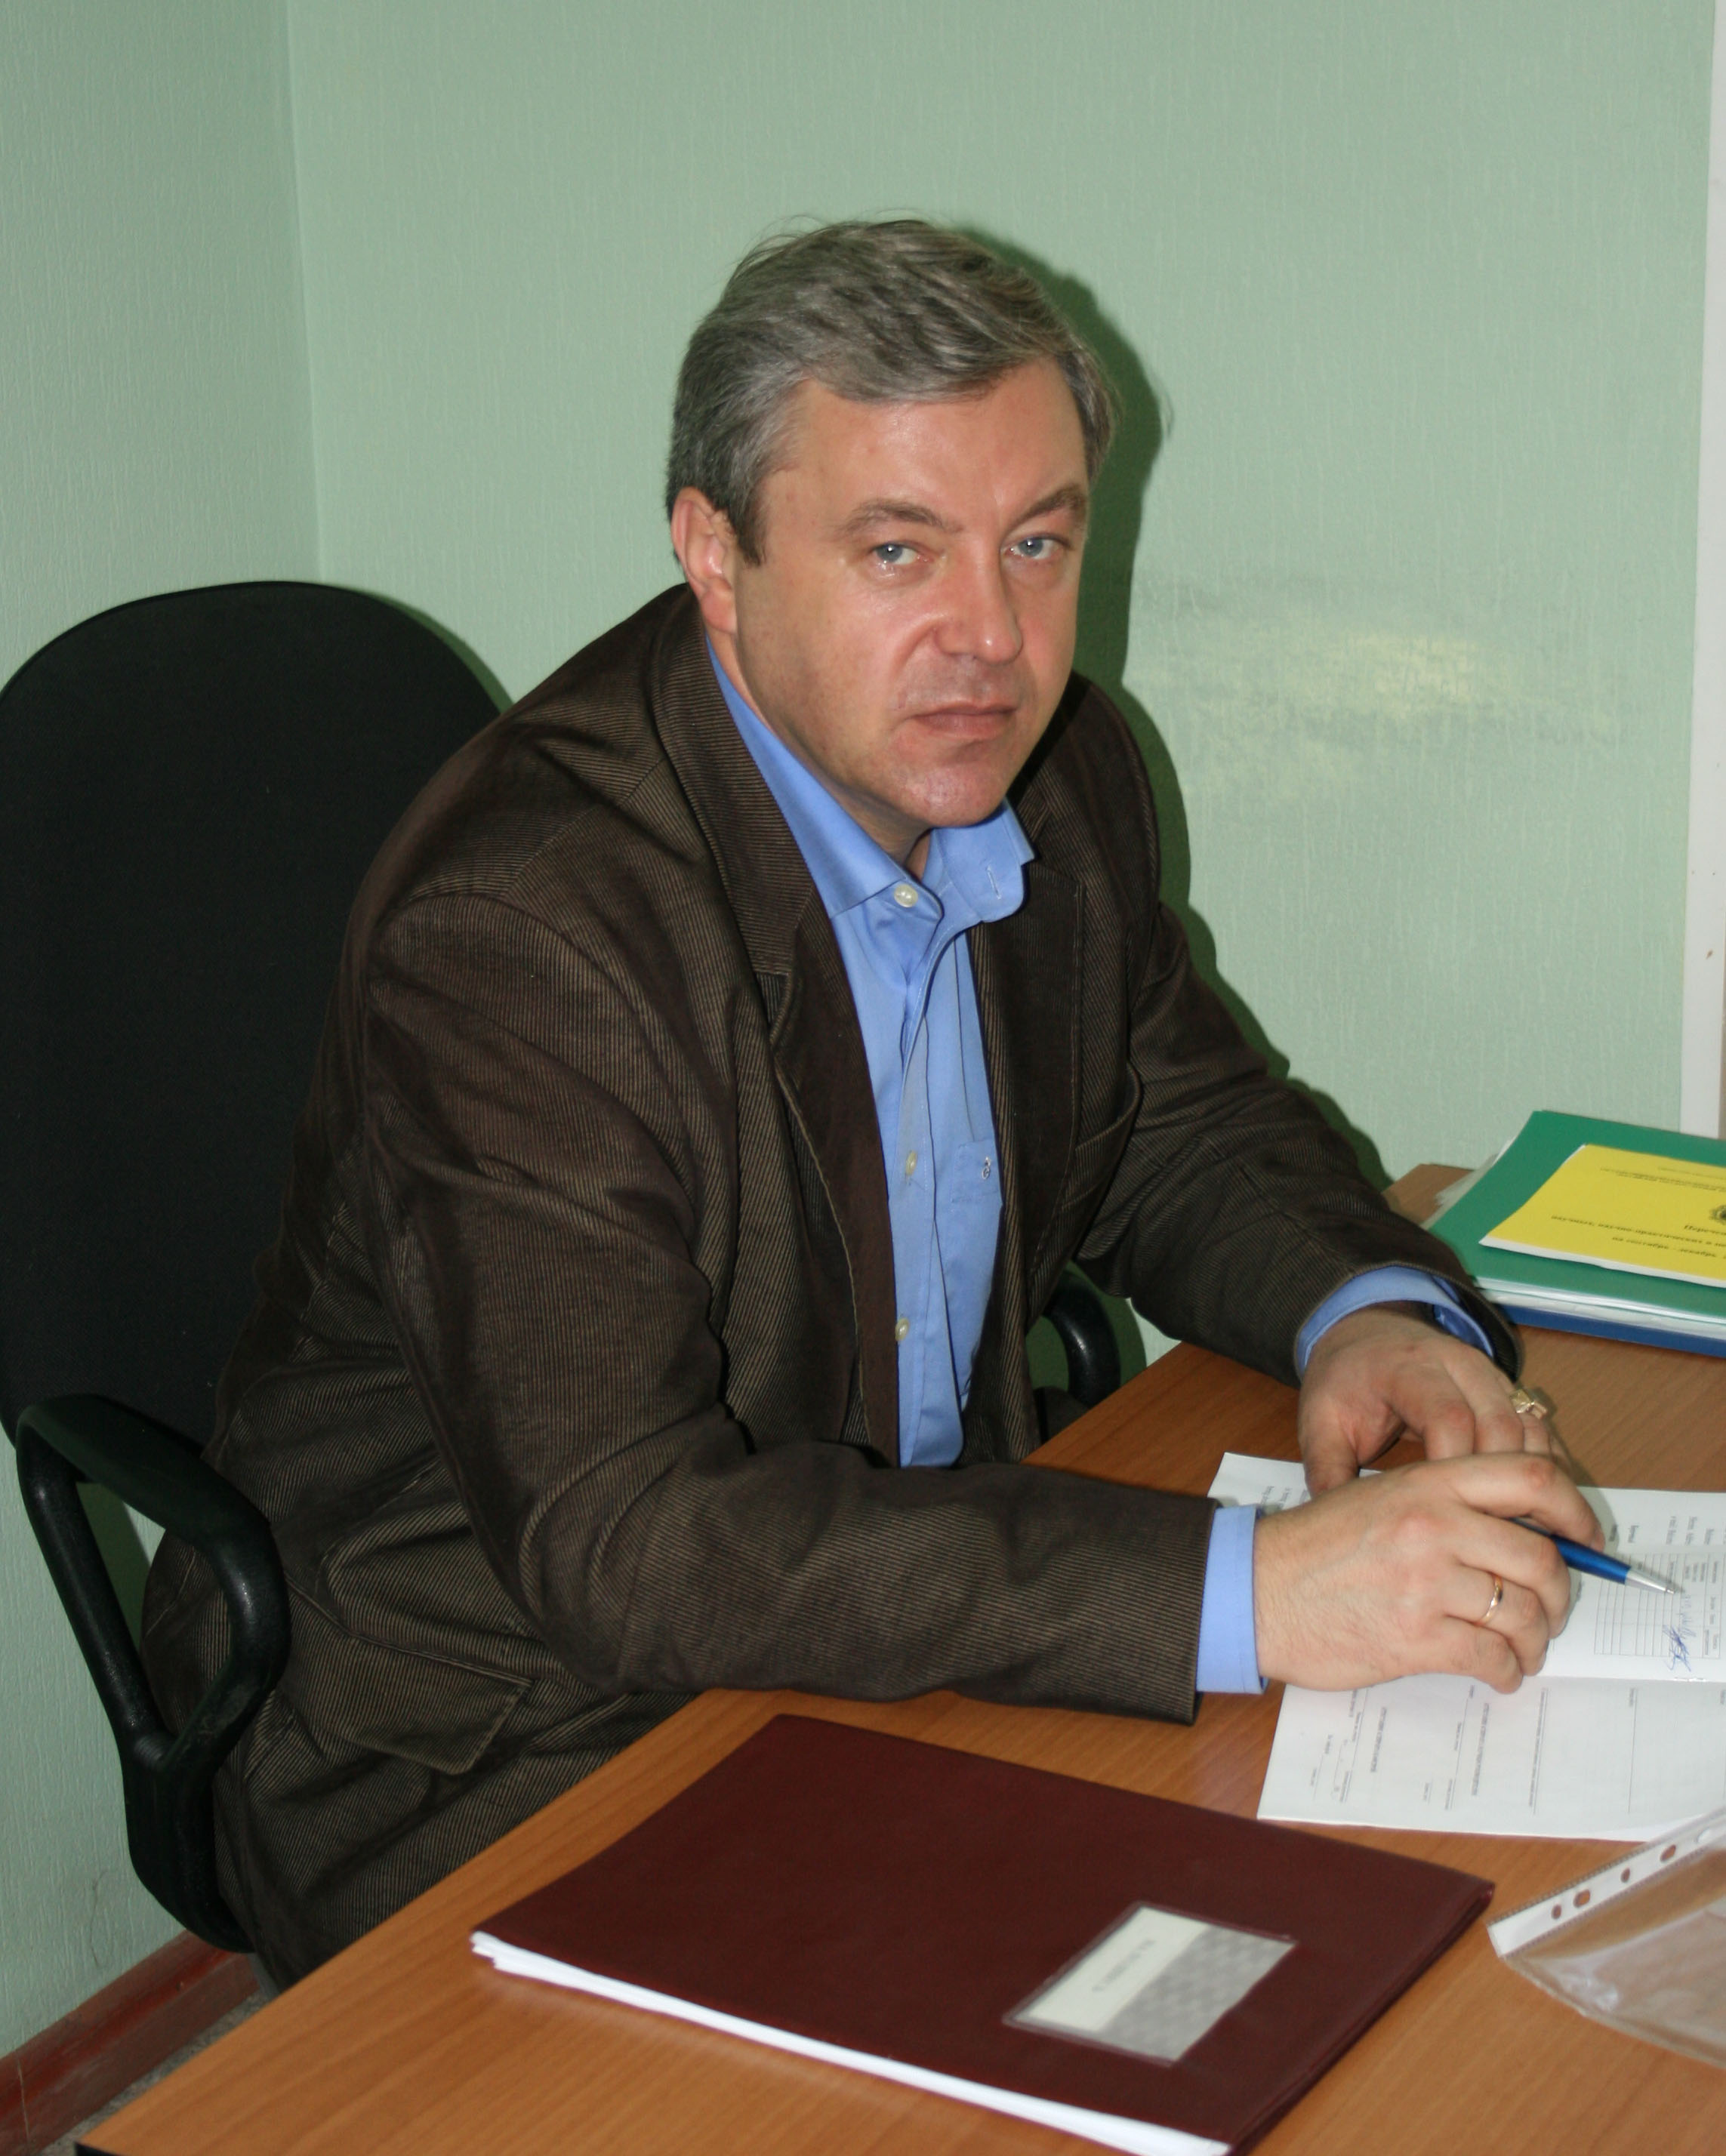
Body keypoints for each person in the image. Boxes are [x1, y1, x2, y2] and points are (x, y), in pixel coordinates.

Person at [141, 220, 1598, 1984]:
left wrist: (1361, 1315)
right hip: (501, 1723)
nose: (991, 638)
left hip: (877, 1616)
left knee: (1361, 1955)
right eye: (898, 549)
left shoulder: (1054, 777)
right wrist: (1253, 1589)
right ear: (717, 555)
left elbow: (1179, 1119)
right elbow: (630, 1543)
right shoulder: (525, 932)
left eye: (1038, 543)